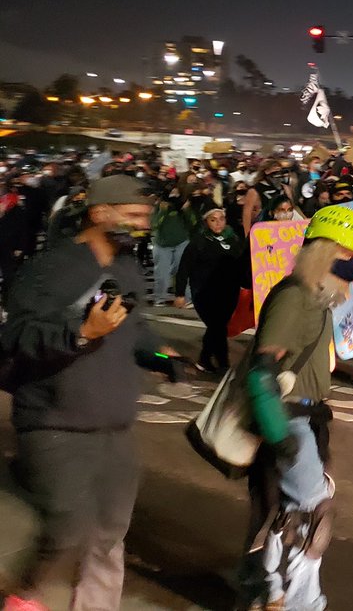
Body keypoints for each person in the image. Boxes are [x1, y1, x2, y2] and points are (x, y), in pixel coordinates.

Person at [1, 176, 175, 610]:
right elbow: (16, 336)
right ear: (100, 213)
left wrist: (158, 353)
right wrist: (79, 334)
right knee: (66, 527)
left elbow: (133, 329)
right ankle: (26, 594)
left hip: (114, 424)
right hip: (53, 423)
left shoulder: (127, 269)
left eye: (145, 218)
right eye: (133, 216)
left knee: (111, 530)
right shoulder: (49, 268)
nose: (142, 226)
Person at [236, 205, 353, 611]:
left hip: (307, 418)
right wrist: (280, 433)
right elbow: (262, 372)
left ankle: (273, 595)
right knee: (305, 519)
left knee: (296, 514)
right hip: (288, 419)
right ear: (323, 251)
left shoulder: (316, 297)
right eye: (346, 254)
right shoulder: (294, 296)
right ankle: (286, 600)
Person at [174, 204, 244, 373]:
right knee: (217, 326)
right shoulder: (198, 242)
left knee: (219, 327)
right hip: (204, 292)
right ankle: (222, 362)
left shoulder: (234, 239)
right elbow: (184, 268)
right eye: (213, 220)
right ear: (206, 222)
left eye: (221, 219)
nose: (218, 223)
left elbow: (242, 264)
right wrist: (180, 293)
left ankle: (206, 359)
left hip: (228, 291)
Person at [150, 184, 191, 306]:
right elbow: (154, 225)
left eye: (176, 193)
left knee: (183, 272)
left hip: (181, 242)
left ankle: (187, 299)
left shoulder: (181, 207)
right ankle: (159, 298)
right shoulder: (159, 207)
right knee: (162, 273)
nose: (174, 195)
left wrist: (187, 210)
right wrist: (163, 211)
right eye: (172, 192)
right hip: (162, 245)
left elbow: (191, 222)